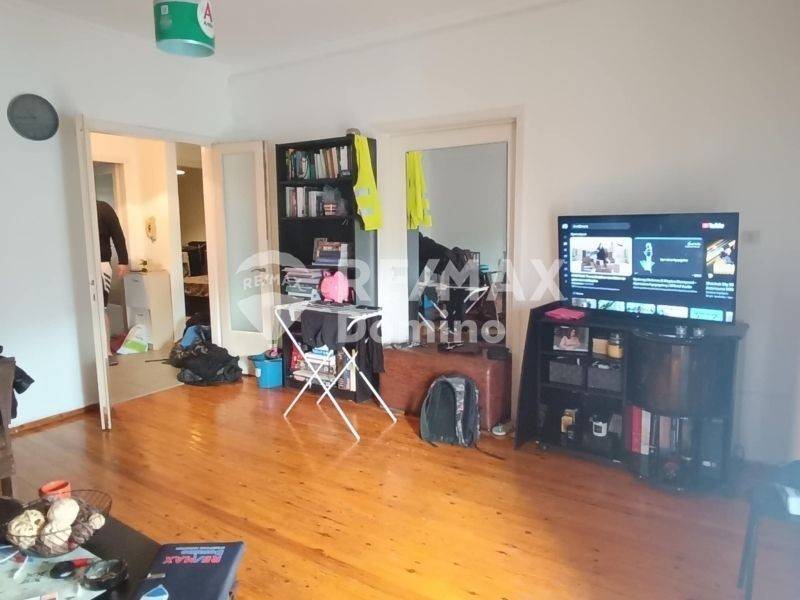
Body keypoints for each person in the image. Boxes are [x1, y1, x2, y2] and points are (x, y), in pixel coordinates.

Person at [97, 201, 129, 365]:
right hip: (78, 265)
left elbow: (118, 235)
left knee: (100, 308)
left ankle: (107, 352)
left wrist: (123, 261)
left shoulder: (103, 208)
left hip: (101, 264)